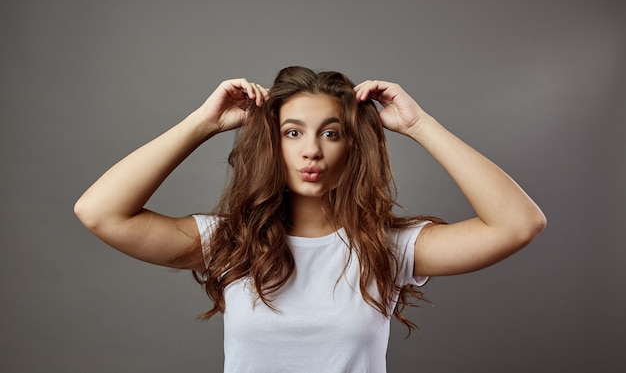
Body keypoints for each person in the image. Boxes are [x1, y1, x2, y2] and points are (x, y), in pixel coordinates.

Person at [74, 66, 546, 373]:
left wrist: (420, 126)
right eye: (293, 132)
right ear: (273, 145)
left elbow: (518, 224)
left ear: (352, 145)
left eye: (332, 132)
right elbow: (99, 212)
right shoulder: (230, 243)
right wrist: (202, 123)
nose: (312, 150)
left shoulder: (387, 247)